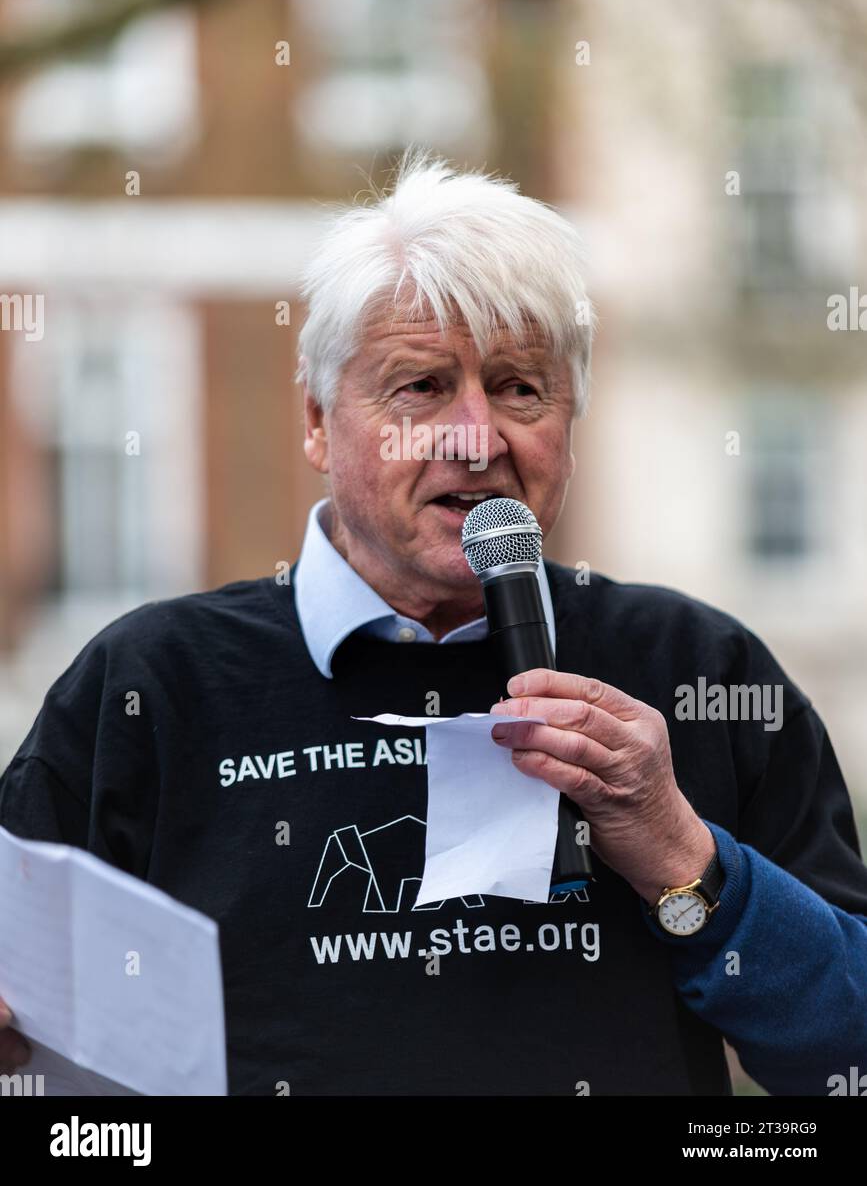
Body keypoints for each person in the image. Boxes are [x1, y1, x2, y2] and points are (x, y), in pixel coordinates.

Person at [2, 149, 866, 1095]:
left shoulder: (698, 666)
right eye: (419, 387)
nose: (477, 435)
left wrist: (681, 858)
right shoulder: (152, 685)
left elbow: (846, 1056)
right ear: (319, 423)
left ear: (569, 422)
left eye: (519, 388)